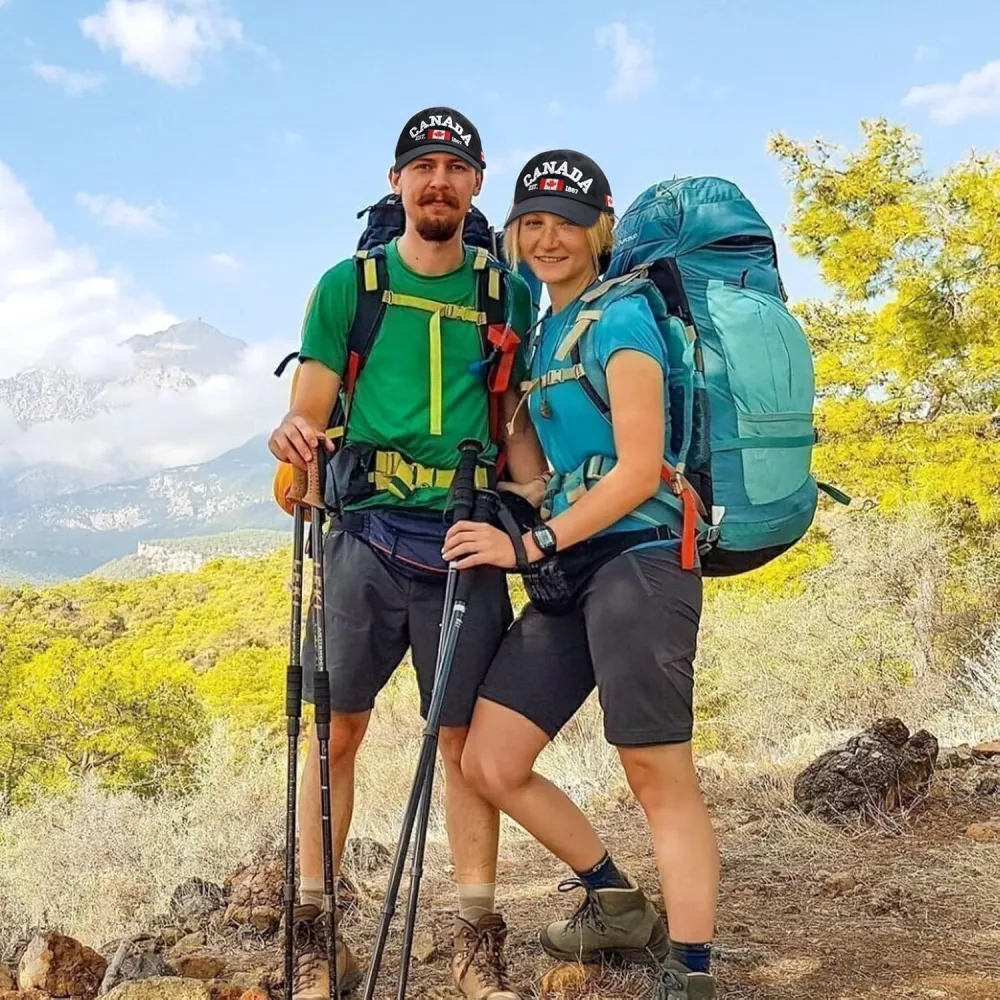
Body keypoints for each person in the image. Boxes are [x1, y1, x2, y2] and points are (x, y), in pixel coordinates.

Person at [267, 107, 548, 1000]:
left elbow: (515, 416)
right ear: (397, 183)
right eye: (421, 166)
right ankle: (316, 936)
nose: (437, 181)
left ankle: (474, 944)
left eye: (454, 168)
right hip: (366, 533)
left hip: (466, 535)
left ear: (476, 186)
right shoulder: (348, 287)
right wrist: (295, 436)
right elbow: (311, 403)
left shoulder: (508, 293)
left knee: (461, 743)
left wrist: (527, 521)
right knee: (335, 729)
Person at [442, 149, 720, 1000]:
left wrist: (528, 548)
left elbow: (638, 471)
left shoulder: (626, 317)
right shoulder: (545, 332)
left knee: (653, 770)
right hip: (573, 563)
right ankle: (614, 898)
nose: (548, 237)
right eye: (532, 221)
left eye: (565, 221)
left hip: (641, 559)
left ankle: (693, 970)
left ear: (601, 226)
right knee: (491, 759)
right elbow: (546, 465)